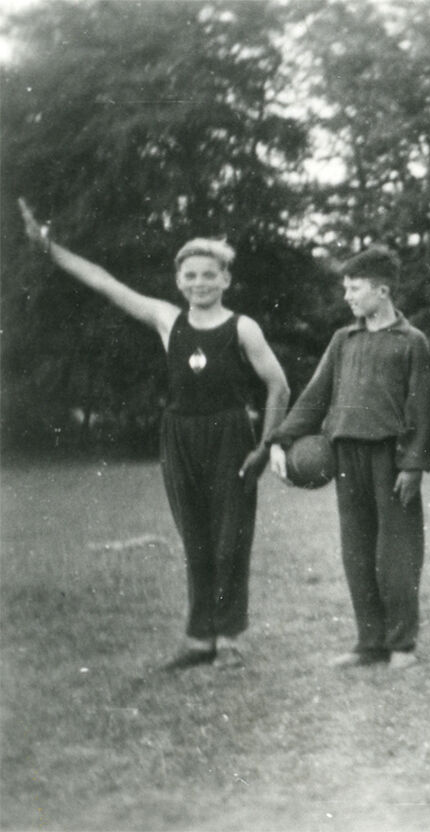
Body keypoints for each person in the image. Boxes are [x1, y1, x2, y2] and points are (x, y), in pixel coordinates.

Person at [18, 198, 290, 671]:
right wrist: (50, 250)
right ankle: (199, 640)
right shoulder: (167, 319)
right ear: (179, 281)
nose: (200, 283)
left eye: (209, 275)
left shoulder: (242, 327)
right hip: (179, 435)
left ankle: (228, 639)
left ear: (225, 279)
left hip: (229, 434)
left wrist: (266, 447)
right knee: (196, 538)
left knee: (229, 538)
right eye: (191, 276)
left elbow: (279, 386)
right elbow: (105, 282)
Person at [268, 246, 430, 671]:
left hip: (391, 459)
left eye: (355, 288)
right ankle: (369, 643)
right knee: (356, 551)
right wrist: (281, 439)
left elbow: (421, 409)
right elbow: (315, 395)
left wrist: (414, 465)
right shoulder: (343, 340)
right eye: (346, 288)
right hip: (346, 455)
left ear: (383, 291)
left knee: (397, 552)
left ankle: (402, 645)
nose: (347, 296)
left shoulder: (412, 342)